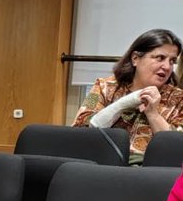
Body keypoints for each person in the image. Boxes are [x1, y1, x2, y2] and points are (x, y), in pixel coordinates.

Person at [73, 28, 183, 162]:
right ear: (135, 59)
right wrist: (125, 103)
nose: (167, 67)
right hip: (103, 166)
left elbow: (177, 148)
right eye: (160, 58)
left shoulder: (178, 99)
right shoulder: (103, 87)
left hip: (152, 173)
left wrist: (153, 114)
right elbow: (81, 131)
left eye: (172, 61)